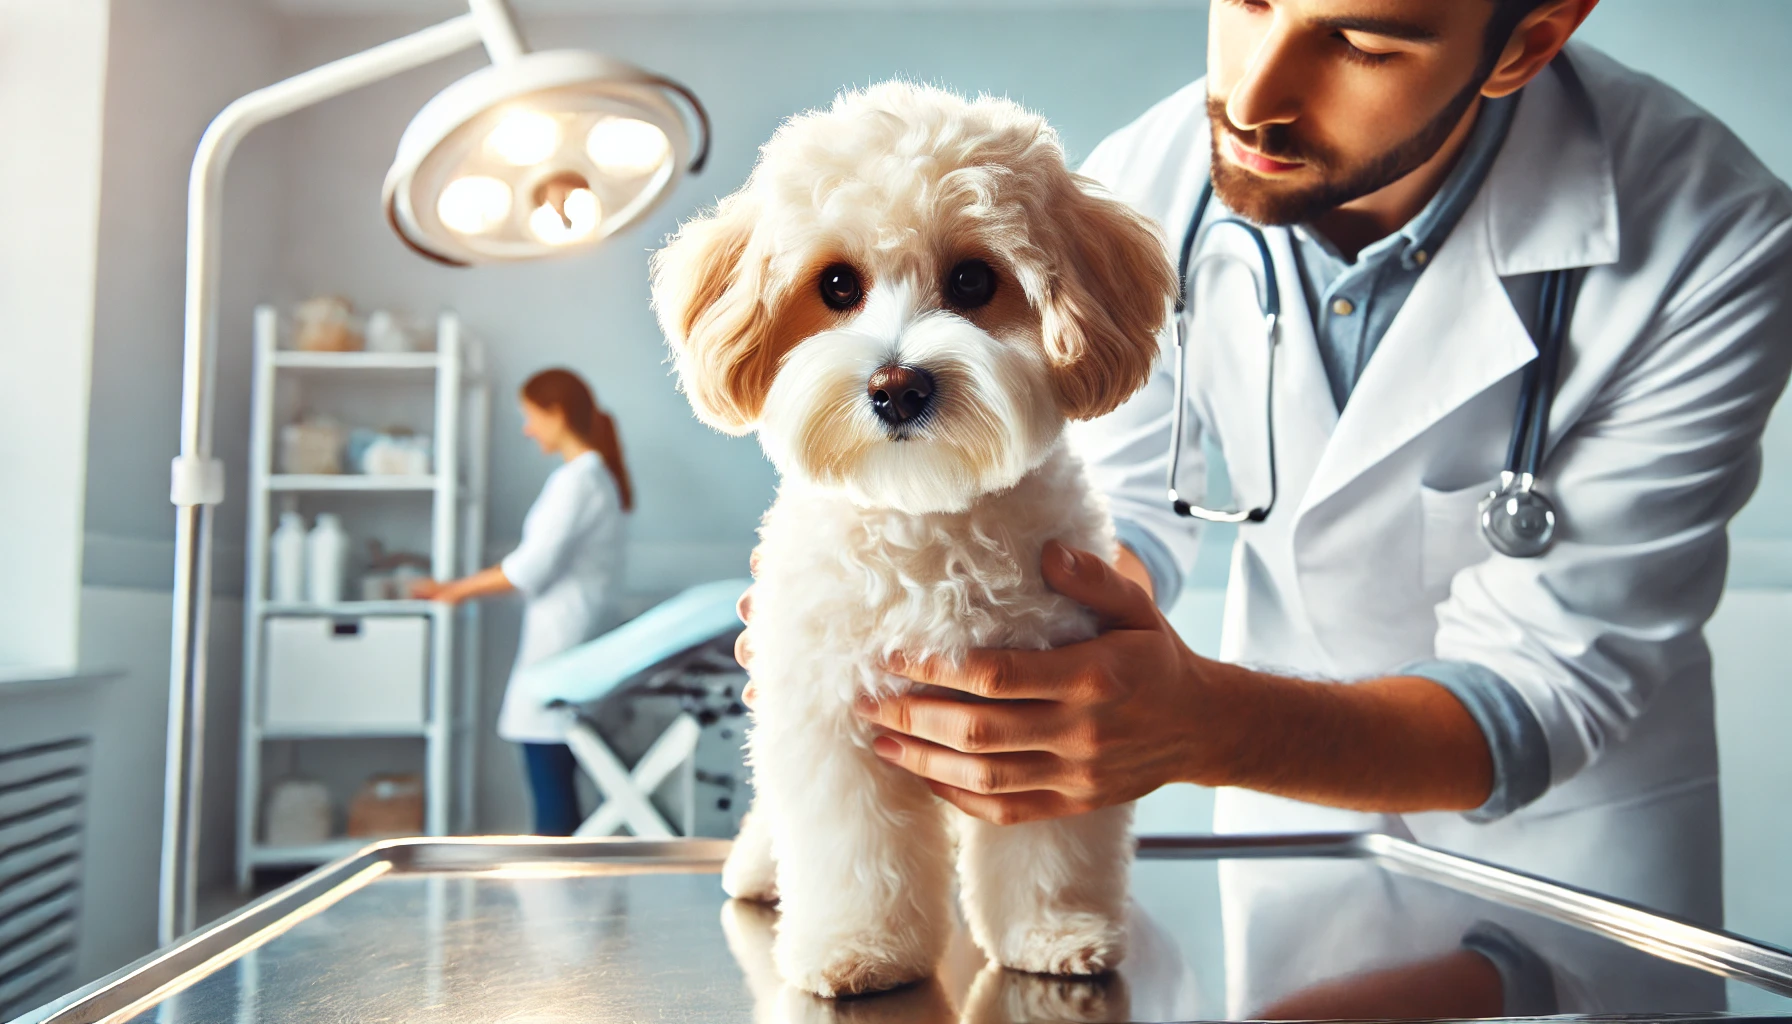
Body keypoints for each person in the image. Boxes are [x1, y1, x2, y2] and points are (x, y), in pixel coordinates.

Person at [739, 0, 1792, 926]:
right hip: (1292, 856)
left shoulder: (1715, 241)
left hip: (1567, 872)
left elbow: (1546, 688)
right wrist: (952, 641)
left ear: (1529, 40)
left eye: (1360, 41)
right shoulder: (1152, 174)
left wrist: (1198, 722)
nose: (1250, 96)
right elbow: (1113, 521)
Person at [412, 368, 633, 835]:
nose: (527, 429)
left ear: (555, 414)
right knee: (559, 773)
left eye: (530, 417)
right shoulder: (595, 479)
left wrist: (452, 590)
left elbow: (529, 567)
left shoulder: (578, 481)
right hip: (573, 637)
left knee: (549, 777)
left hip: (561, 647)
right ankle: (566, 889)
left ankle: (557, 889)